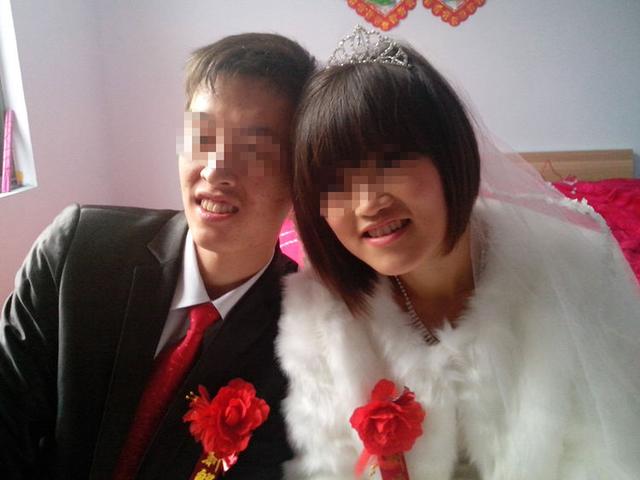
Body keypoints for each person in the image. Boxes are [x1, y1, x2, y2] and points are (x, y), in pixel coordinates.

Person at [276, 26, 640, 479]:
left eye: (390, 162)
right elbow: (324, 466)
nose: (368, 204)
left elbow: (619, 447)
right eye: (335, 183)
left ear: (449, 153)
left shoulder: (580, 267)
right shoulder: (318, 311)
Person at [0, 33, 315, 479]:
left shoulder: (305, 341)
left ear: (300, 176)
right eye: (202, 136)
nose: (215, 170)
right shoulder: (77, 254)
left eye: (255, 149)